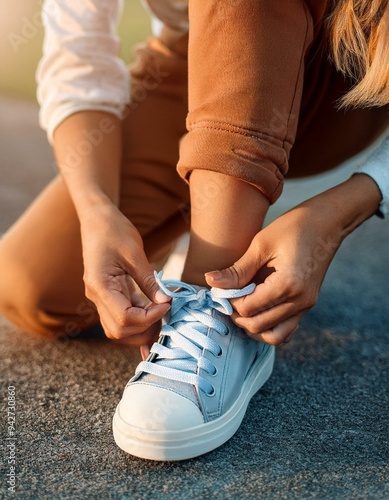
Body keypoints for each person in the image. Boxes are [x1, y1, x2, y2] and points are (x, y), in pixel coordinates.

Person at [0, 0, 388, 460]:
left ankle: (218, 305)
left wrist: (346, 208)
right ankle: (216, 208)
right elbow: (78, 55)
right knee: (34, 287)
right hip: (199, 78)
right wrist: (96, 210)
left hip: (349, 80)